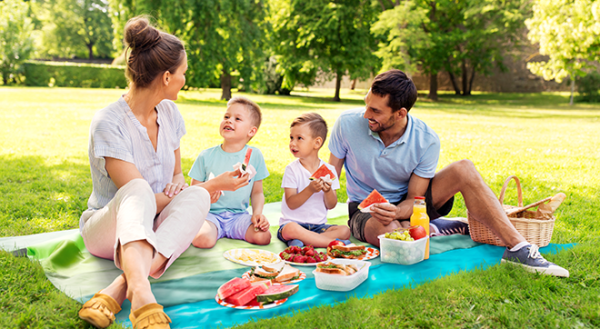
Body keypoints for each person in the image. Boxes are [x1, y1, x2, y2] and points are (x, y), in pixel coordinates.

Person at [77, 17, 249, 329]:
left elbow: (177, 176)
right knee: (141, 190)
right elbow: (135, 202)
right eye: (183, 73)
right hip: (108, 228)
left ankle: (119, 288)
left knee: (197, 196)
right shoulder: (108, 122)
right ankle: (142, 293)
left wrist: (185, 187)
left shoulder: (169, 113)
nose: (186, 79)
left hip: (154, 222)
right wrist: (215, 183)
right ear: (167, 77)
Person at [328, 69, 569, 278]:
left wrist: (399, 211)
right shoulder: (346, 124)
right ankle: (436, 227)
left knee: (464, 168)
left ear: (400, 113)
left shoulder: (426, 139)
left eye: (375, 111)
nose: (365, 114)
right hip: (364, 209)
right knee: (395, 240)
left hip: (410, 204)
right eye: (366, 103)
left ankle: (519, 248)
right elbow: (329, 176)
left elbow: (415, 199)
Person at [188, 97, 271, 248]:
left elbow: (257, 192)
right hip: (210, 216)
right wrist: (209, 192)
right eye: (226, 117)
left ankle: (232, 231)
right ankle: (205, 230)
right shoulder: (206, 156)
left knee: (264, 236)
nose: (229, 121)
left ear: (251, 131)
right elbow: (193, 192)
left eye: (237, 118)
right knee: (203, 240)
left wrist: (257, 213)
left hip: (239, 216)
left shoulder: (255, 156)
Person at [277, 113, 351, 248]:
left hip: (318, 227)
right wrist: (310, 189)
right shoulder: (292, 169)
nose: (292, 143)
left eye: (299, 138)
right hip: (293, 224)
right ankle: (332, 244)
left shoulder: (329, 170)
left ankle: (303, 242)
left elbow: (331, 205)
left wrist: (328, 191)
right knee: (291, 229)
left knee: (345, 230)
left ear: (317, 143)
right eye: (291, 138)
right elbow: (291, 203)